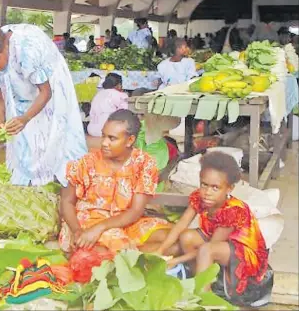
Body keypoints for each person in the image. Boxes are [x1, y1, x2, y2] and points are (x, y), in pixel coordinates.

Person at [0, 24, 87, 186]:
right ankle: (31, 177)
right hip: (21, 88)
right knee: (24, 138)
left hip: (49, 85)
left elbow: (45, 93)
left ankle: (61, 179)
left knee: (54, 133)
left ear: (5, 47)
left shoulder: (28, 48)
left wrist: (25, 118)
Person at [155, 151, 273, 307]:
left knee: (206, 251)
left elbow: (208, 248)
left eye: (215, 188)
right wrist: (160, 251)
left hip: (244, 255)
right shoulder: (199, 197)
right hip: (219, 246)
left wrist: (174, 261)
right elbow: (181, 225)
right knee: (186, 236)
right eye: (204, 185)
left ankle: (203, 300)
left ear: (229, 189)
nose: (207, 193)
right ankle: (203, 279)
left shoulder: (233, 210)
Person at [59, 109, 171, 254]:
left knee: (170, 237)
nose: (104, 143)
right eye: (103, 136)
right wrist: (77, 231)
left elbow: (136, 210)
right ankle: (130, 255)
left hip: (126, 221)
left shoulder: (144, 163)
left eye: (112, 138)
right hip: (88, 221)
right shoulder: (86, 162)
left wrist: (100, 228)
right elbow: (67, 201)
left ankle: (125, 254)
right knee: (120, 246)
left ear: (130, 140)